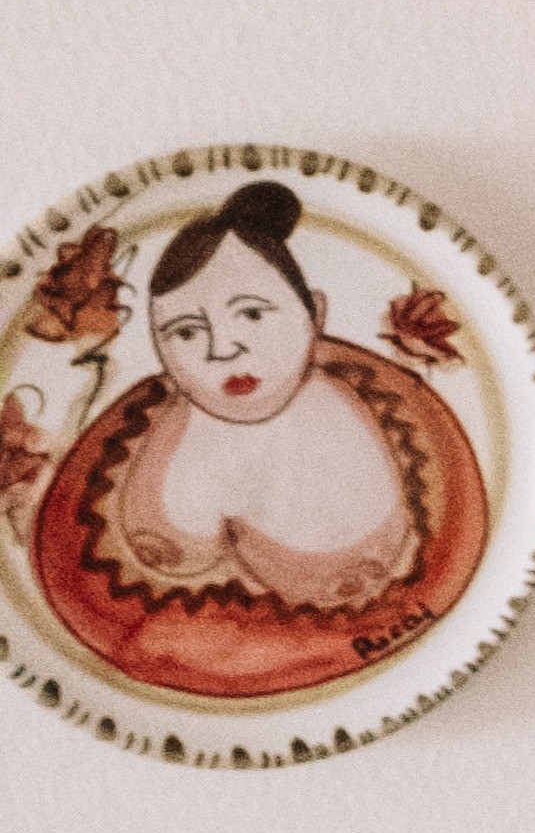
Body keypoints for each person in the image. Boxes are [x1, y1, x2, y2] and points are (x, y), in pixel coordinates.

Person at [25, 177, 487, 703]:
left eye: (251, 313)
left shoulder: (403, 428)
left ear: (314, 313)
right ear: (159, 350)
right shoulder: (121, 450)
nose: (224, 349)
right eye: (186, 331)